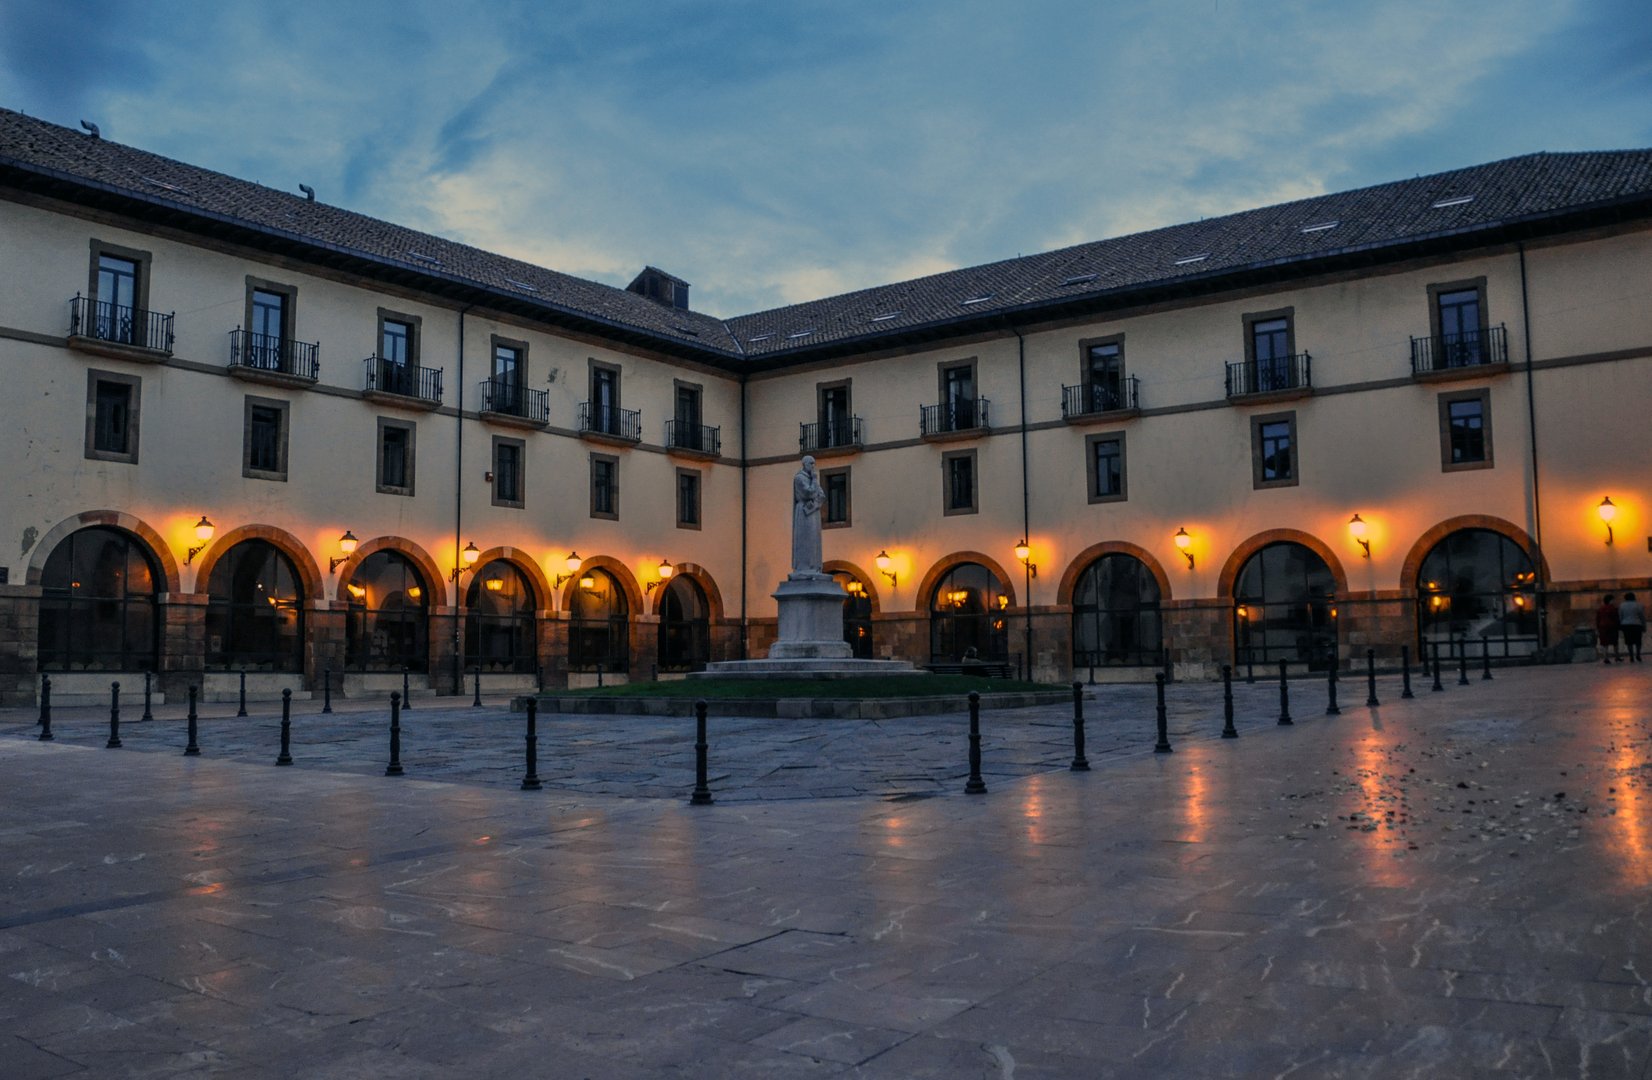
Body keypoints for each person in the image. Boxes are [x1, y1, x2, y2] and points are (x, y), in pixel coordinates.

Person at [790, 455, 824, 576]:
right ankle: (804, 566)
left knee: (814, 538)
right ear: (804, 464)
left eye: (814, 463)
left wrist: (815, 504)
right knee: (805, 538)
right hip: (803, 513)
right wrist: (814, 481)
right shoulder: (799, 478)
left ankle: (814, 565)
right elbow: (808, 493)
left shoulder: (811, 478)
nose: (813, 466)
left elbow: (821, 495)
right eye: (811, 463)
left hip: (813, 511)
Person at [1619, 593, 1646, 663]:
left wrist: (1621, 625)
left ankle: (1631, 656)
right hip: (1637, 624)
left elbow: (1620, 616)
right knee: (1638, 641)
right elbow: (1642, 617)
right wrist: (1644, 626)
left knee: (1629, 641)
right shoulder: (1638, 605)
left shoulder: (1622, 605)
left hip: (1626, 624)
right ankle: (1638, 654)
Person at [1597, 594, 1621, 664]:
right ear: (1610, 600)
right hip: (1612, 627)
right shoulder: (1613, 608)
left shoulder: (1600, 609)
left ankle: (1606, 657)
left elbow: (1598, 619)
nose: (1614, 601)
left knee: (1605, 643)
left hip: (1602, 627)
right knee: (1615, 642)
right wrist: (1618, 626)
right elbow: (1616, 618)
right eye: (1613, 600)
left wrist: (1598, 627)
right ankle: (1617, 656)